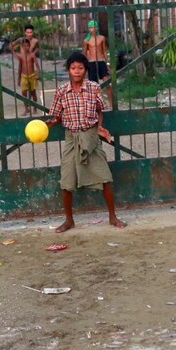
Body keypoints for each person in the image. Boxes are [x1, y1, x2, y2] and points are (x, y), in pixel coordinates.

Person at [45, 52, 126, 233]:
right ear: (68, 70)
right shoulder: (61, 92)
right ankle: (68, 220)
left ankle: (113, 217)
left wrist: (100, 127)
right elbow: (57, 116)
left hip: (91, 138)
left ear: (85, 70)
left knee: (105, 178)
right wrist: (49, 123)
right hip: (71, 139)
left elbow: (99, 111)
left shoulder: (94, 88)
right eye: (73, 68)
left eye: (80, 68)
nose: (77, 71)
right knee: (66, 182)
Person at [82, 20, 113, 106]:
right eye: (91, 27)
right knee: (94, 87)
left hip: (101, 62)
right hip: (91, 63)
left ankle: (112, 104)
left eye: (95, 27)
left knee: (107, 83)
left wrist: (108, 64)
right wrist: (84, 67)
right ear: (89, 29)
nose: (93, 29)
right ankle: (98, 106)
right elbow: (84, 54)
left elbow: (104, 51)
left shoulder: (101, 38)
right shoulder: (86, 40)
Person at [14, 38, 38, 115]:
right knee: (24, 92)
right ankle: (26, 109)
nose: (26, 47)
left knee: (33, 93)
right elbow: (20, 67)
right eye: (24, 46)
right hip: (24, 76)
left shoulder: (32, 55)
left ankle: (35, 108)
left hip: (32, 76)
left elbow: (37, 66)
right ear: (22, 46)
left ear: (29, 46)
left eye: (27, 46)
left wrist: (37, 74)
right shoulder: (21, 56)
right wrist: (19, 78)